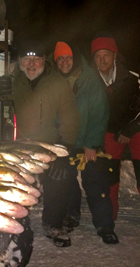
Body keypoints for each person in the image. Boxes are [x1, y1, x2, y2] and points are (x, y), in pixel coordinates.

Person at [8, 40, 81, 247]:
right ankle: (13, 223)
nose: (32, 64)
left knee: (59, 180)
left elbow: (71, 118)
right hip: (20, 144)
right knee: (13, 183)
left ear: (43, 61)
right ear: (20, 62)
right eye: (27, 59)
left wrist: (64, 150)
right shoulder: (14, 80)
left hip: (50, 144)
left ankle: (53, 223)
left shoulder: (57, 83)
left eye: (36, 59)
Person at [51, 41, 119, 244]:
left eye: (68, 57)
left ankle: (105, 225)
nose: (64, 62)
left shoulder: (90, 79)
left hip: (89, 144)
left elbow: (100, 113)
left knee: (96, 184)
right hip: (65, 144)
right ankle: (72, 216)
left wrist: (92, 144)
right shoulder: (53, 81)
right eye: (60, 58)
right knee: (66, 183)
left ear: (75, 58)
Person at [91, 31, 140, 220]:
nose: (102, 60)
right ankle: (109, 217)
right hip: (111, 132)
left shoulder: (133, 76)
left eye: (107, 55)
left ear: (115, 56)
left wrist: (131, 128)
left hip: (135, 128)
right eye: (98, 56)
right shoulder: (90, 81)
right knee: (109, 175)